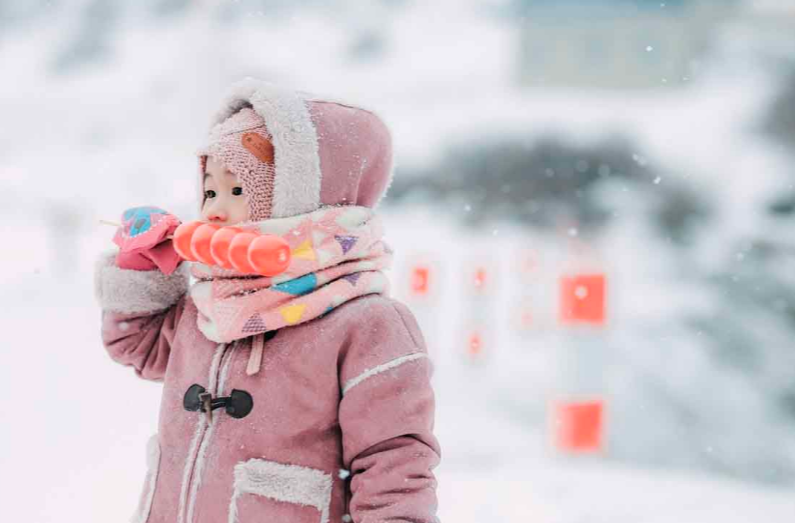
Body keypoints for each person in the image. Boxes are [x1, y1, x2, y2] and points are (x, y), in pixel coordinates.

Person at [94, 78, 441, 523]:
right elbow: (137, 346)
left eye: (238, 191)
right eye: (210, 190)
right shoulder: (209, 304)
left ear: (302, 197)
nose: (214, 211)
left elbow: (394, 462)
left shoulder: (368, 323)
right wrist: (139, 264)